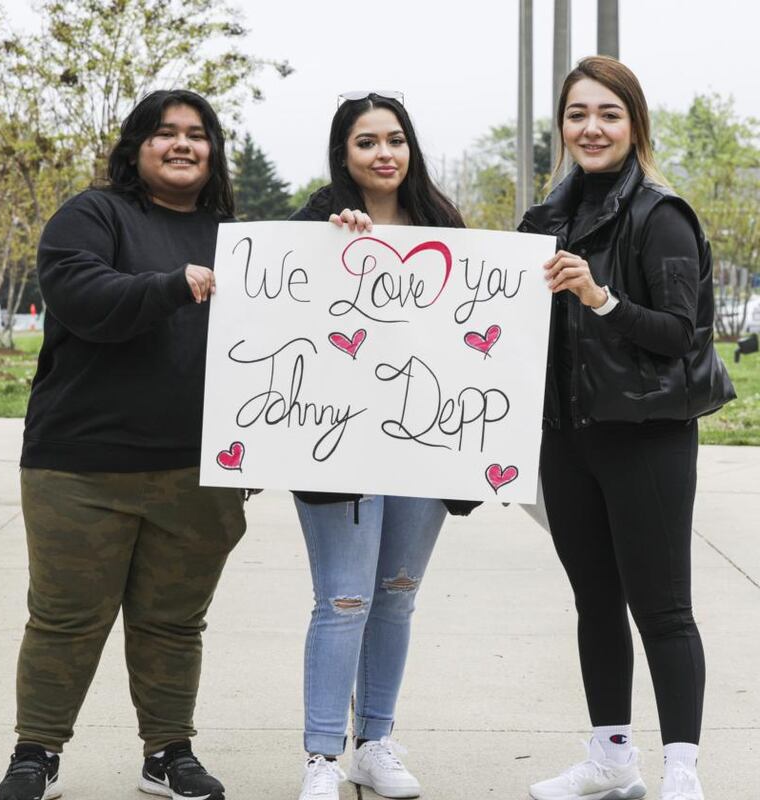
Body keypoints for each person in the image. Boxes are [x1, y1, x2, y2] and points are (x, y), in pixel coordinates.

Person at [0, 89, 245, 800]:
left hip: (199, 470)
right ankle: (34, 754)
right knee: (65, 621)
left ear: (213, 151)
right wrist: (173, 286)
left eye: (198, 134)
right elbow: (83, 296)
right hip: (79, 466)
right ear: (137, 146)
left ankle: (168, 752)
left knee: (173, 624)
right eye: (165, 133)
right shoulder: (92, 213)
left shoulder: (236, 239)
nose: (183, 145)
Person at [519, 57, 735, 800]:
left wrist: (601, 297)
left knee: (663, 608)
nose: (592, 128)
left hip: (646, 435)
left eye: (608, 113)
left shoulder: (660, 213)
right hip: (567, 439)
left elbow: (681, 332)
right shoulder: (544, 218)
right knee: (595, 603)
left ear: (634, 123)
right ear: (563, 127)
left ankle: (682, 769)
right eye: (578, 114)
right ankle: (611, 759)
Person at [288, 90, 477, 800]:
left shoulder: (444, 225)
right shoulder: (317, 222)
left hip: (425, 440)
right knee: (343, 599)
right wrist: (331, 245)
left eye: (394, 138)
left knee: (396, 595)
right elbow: (286, 316)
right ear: (344, 153)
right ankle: (321, 757)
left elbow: (475, 333)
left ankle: (375, 741)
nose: (384, 153)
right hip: (338, 439)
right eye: (366, 141)